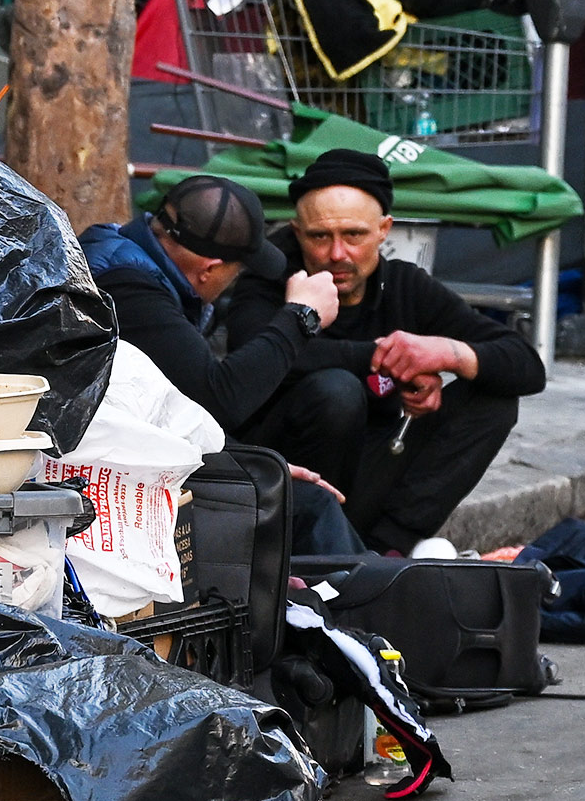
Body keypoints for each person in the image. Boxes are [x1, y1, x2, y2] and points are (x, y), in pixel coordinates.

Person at [220, 148, 543, 551]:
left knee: (492, 399)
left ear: (384, 230)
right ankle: (314, 552)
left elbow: (528, 365)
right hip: (286, 484)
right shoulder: (269, 279)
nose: (338, 254)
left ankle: (386, 551)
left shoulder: (405, 286)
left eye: (354, 235)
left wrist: (444, 354)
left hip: (372, 472)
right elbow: (246, 359)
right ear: (297, 232)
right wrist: (378, 358)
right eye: (320, 237)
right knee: (336, 391)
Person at [79, 174, 368, 562]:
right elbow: (215, 399)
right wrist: (303, 316)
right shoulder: (128, 287)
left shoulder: (127, 252)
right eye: (236, 271)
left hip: (128, 450)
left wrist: (251, 459)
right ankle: (368, 605)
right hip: (102, 476)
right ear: (209, 269)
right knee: (306, 505)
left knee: (295, 473)